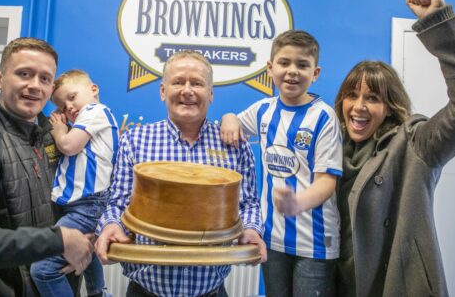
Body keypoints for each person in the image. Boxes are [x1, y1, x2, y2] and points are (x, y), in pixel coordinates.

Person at [334, 0, 455, 297]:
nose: (359, 106)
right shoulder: (328, 147)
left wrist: (439, 22)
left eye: (373, 98)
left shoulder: (415, 143)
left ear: (390, 106)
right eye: (352, 96)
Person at [94, 50, 266, 297]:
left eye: (197, 83)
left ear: (211, 94)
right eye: (178, 82)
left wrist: (250, 230)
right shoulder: (135, 140)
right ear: (163, 91)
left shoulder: (235, 146)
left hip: (211, 290)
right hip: (145, 290)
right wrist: (110, 224)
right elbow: (119, 201)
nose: (187, 90)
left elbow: (248, 204)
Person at [0, 38, 94, 297]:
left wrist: (90, 238)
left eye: (45, 78)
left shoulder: (57, 137)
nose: (35, 85)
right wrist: (59, 240)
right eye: (24, 74)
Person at [221, 30, 343, 297]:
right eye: (284, 63)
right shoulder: (264, 109)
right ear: (270, 68)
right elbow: (234, 123)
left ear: (316, 73)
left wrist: (297, 203)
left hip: (315, 242)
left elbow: (327, 181)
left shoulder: (324, 117)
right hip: (273, 239)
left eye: (302, 65)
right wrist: (229, 117)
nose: (292, 71)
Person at [30, 69, 118, 297]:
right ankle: (98, 292)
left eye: (71, 97)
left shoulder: (95, 111)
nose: (68, 108)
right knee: (83, 249)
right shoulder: (88, 119)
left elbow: (69, 146)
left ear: (93, 89)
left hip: (88, 204)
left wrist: (59, 130)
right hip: (84, 204)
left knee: (42, 269)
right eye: (61, 106)